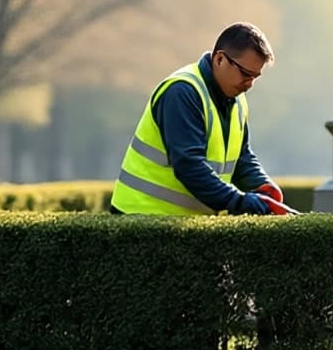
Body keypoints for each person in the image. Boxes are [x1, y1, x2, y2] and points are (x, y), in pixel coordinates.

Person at [111, 22, 287, 216]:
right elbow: (189, 165)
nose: (250, 84)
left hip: (179, 226)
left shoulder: (237, 99)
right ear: (220, 59)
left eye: (255, 76)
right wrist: (240, 201)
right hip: (140, 218)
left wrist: (262, 184)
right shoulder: (181, 92)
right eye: (246, 74)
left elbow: (242, 158)